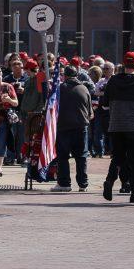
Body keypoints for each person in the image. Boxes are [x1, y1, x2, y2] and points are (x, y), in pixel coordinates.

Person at [101, 52, 134, 204]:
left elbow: (104, 102)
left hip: (116, 125)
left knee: (117, 157)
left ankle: (109, 181)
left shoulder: (113, 80)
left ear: (124, 64)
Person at [51, 64, 92, 192]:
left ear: (65, 76)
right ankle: (83, 184)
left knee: (63, 156)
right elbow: (90, 111)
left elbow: (52, 107)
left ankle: (64, 184)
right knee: (81, 156)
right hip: (81, 126)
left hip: (64, 127)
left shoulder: (60, 88)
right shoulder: (84, 88)